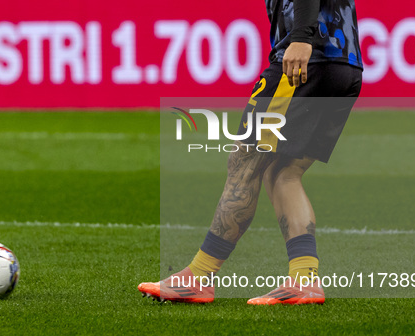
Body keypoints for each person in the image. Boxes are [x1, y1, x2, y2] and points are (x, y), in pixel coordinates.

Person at [139, 0, 363, 305]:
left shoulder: (303, 45)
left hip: (305, 61)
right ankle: (304, 279)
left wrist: (301, 38)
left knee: (244, 163)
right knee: (283, 172)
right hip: (345, 66)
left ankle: (199, 277)